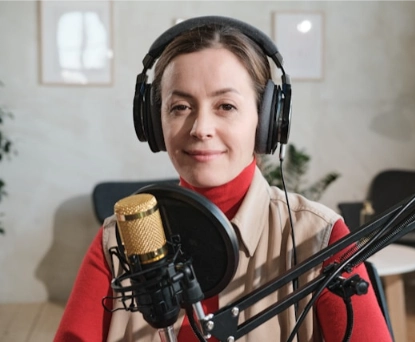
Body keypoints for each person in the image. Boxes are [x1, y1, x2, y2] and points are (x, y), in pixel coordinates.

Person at [55, 16, 393, 342]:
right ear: (154, 124)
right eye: (180, 107)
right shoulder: (118, 238)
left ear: (266, 122)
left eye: (226, 106)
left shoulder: (317, 238)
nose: (201, 128)